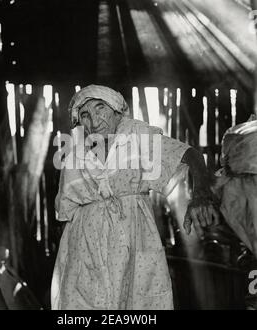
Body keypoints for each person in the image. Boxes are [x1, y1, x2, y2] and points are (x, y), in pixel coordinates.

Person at [51, 85, 219, 310]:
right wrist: (67, 261)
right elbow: (66, 210)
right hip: (84, 243)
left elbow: (191, 155)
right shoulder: (75, 151)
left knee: (138, 302)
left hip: (132, 235)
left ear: (117, 111)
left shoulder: (139, 137)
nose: (94, 119)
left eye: (101, 107)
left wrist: (201, 195)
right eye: (85, 114)